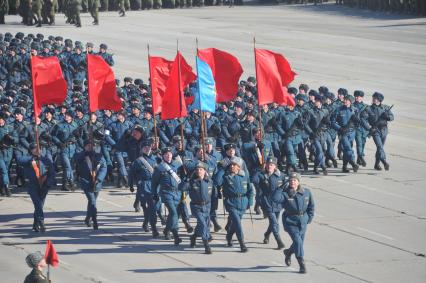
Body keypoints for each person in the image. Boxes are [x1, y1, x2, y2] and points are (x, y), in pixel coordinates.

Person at [18, 143, 56, 233]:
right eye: (35, 149)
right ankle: (42, 222)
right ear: (31, 150)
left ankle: (35, 224)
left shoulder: (46, 160)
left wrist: (48, 185)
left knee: (39, 206)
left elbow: (52, 173)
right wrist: (32, 157)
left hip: (44, 186)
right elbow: (20, 160)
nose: (38, 150)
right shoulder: (28, 160)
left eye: (39, 148)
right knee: (38, 205)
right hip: (33, 186)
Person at [218, 157, 253, 252]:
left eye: (234, 165)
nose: (232, 166)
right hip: (231, 202)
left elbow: (250, 189)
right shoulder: (225, 176)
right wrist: (221, 169)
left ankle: (229, 236)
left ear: (239, 167)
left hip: (243, 202)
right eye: (231, 165)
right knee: (237, 223)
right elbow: (217, 182)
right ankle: (242, 243)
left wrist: (250, 202)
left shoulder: (244, 175)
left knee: (235, 224)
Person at [282, 172, 315, 274]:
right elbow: (275, 199)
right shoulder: (285, 193)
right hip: (290, 221)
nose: (293, 182)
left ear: (299, 182)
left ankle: (288, 252)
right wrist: (280, 189)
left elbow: (311, 206)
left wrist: (309, 218)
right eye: (291, 180)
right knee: (298, 242)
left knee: (299, 243)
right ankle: (301, 263)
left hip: (303, 221)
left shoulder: (306, 192)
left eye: (295, 180)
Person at [152, 147, 184, 245]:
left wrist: (184, 155)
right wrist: (154, 194)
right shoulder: (159, 168)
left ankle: (167, 230)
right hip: (166, 193)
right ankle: (175, 234)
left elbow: (185, 175)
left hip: (177, 192)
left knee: (174, 214)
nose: (169, 156)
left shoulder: (178, 165)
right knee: (173, 213)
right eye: (166, 154)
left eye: (170, 154)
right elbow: (154, 183)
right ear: (163, 156)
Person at [252, 157, 286, 249]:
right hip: (267, 202)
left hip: (278, 203)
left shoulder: (281, 176)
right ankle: (279, 241)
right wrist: (260, 170)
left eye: (271, 165)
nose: (269, 166)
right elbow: (254, 180)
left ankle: (267, 234)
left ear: (275, 166)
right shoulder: (262, 175)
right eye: (268, 164)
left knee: (273, 223)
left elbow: (285, 189)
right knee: (274, 223)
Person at [182, 161, 215, 254]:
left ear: (205, 171)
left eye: (201, 169)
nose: (199, 171)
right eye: (197, 170)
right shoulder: (192, 182)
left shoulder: (209, 181)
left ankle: (194, 237)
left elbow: (213, 194)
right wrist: (187, 178)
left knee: (202, 225)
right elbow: (182, 188)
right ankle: (206, 245)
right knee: (203, 225)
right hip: (196, 206)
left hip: (207, 206)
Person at [75, 139, 107, 230]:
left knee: (92, 202)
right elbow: (75, 159)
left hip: (96, 183)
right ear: (84, 146)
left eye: (92, 145)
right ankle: (95, 220)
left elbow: (104, 168)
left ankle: (88, 218)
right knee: (92, 201)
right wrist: (84, 153)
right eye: (88, 145)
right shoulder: (81, 156)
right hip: (86, 182)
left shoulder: (98, 156)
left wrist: (99, 179)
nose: (90, 147)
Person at [367, 92, 394, 171]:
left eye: (375, 98)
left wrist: (387, 117)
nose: (373, 100)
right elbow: (364, 119)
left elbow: (392, 117)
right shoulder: (369, 108)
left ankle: (376, 164)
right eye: (373, 98)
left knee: (380, 148)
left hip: (384, 130)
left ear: (379, 100)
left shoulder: (385, 108)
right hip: (375, 130)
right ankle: (384, 161)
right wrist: (369, 128)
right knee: (380, 146)